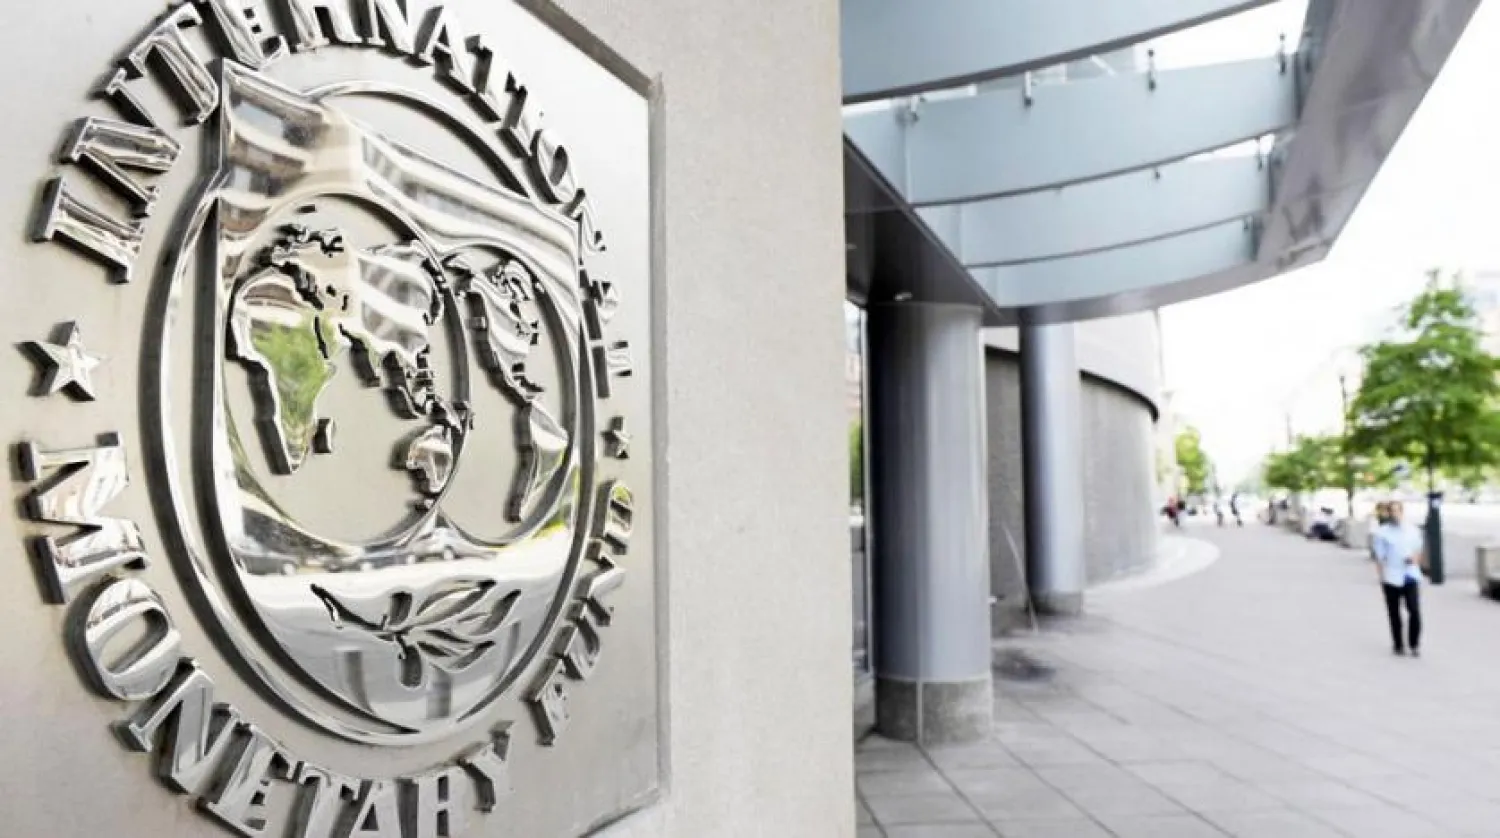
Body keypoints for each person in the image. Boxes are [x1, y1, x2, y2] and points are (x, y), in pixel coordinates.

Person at [1370, 500, 1424, 656]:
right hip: (1391, 576)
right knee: (1394, 612)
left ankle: (1414, 644)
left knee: (1414, 610)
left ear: (1402, 512)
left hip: (1410, 575)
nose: (1395, 514)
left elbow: (1418, 550)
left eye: (1397, 511)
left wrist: (1414, 559)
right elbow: (1380, 557)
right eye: (1392, 511)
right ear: (1388, 513)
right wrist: (1381, 577)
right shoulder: (1382, 533)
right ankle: (1398, 644)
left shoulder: (1412, 531)